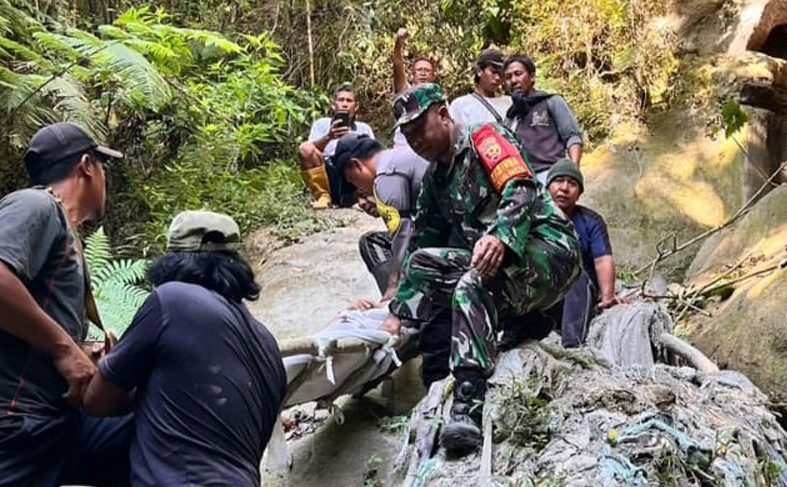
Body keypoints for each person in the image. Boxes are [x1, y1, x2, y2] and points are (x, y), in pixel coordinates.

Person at [383, 83, 580, 457]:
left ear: (442, 114)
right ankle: (523, 321)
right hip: (507, 267)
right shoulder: (436, 181)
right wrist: (396, 313)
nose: (416, 141)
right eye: (407, 135)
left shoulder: (483, 138)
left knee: (472, 282)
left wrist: (502, 236)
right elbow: (421, 243)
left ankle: (469, 402)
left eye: (420, 128)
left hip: (550, 249)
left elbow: (520, 185)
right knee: (422, 265)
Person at [84, 210, 287, 487]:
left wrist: (109, 366)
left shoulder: (172, 300)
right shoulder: (267, 343)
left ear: (171, 261)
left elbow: (97, 402)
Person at [0, 122, 132, 487]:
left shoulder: (63, 229)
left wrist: (85, 353)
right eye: (103, 167)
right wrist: (63, 350)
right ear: (87, 166)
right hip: (17, 428)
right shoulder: (36, 204)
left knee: (154, 424)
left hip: (56, 424)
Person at [332, 133, 451, 386]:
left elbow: (404, 239)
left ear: (356, 165)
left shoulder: (385, 178)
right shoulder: (399, 158)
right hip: (450, 233)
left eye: (352, 181)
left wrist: (397, 308)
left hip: (449, 248)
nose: (358, 191)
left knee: (432, 333)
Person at [546, 159, 620, 347]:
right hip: (544, 292)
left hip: (579, 293)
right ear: (548, 187)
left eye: (572, 184)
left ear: (579, 193)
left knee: (575, 274)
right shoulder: (535, 217)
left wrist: (607, 297)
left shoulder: (590, 221)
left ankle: (572, 348)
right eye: (559, 181)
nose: (564, 188)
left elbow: (603, 259)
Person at [504, 54, 583, 181]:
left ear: (532, 77)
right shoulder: (509, 118)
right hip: (524, 183)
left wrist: (573, 172)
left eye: (518, 74)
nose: (513, 80)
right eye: (508, 77)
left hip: (553, 175)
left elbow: (572, 136)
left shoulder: (551, 101)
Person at [299, 83, 375, 209]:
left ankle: (359, 197)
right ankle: (323, 196)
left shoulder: (364, 128)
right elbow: (307, 152)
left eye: (349, 101)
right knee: (304, 148)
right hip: (327, 172)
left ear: (356, 107)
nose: (344, 104)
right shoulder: (321, 124)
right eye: (341, 100)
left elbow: (375, 158)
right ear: (333, 105)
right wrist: (329, 137)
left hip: (352, 176)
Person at [392, 27, 437, 147]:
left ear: (433, 76)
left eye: (427, 70)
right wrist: (399, 43)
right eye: (419, 70)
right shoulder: (406, 92)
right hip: (404, 149)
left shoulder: (439, 99)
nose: (422, 73)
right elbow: (397, 65)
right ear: (412, 74)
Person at [448, 48, 512, 127]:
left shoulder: (510, 103)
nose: (497, 78)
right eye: (494, 72)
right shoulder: (460, 106)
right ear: (479, 71)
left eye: (501, 74)